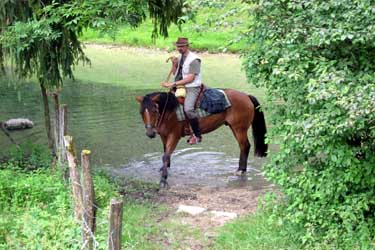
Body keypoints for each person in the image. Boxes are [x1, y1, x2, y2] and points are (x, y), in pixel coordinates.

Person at [161, 37, 202, 145]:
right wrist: (174, 65)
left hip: (192, 87)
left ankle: (197, 135)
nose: (179, 49)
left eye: (182, 47)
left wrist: (172, 84)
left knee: (188, 109)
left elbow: (191, 78)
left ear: (187, 46)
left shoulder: (194, 60)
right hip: (180, 86)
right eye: (178, 47)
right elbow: (176, 74)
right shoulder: (180, 57)